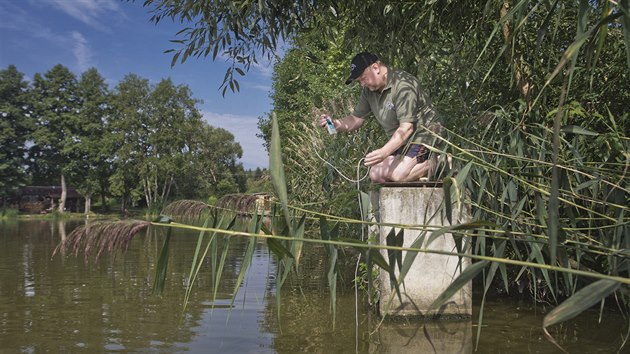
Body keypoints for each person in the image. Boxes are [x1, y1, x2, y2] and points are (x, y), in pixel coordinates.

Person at [319, 52, 441, 183]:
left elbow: (407, 128)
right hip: (403, 143)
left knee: (399, 176)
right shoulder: (369, 91)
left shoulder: (402, 85)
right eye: (359, 81)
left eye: (363, 78)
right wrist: (336, 123)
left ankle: (440, 160)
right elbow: (356, 119)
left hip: (424, 137)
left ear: (376, 68)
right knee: (376, 174)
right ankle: (416, 167)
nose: (362, 84)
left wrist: (384, 152)